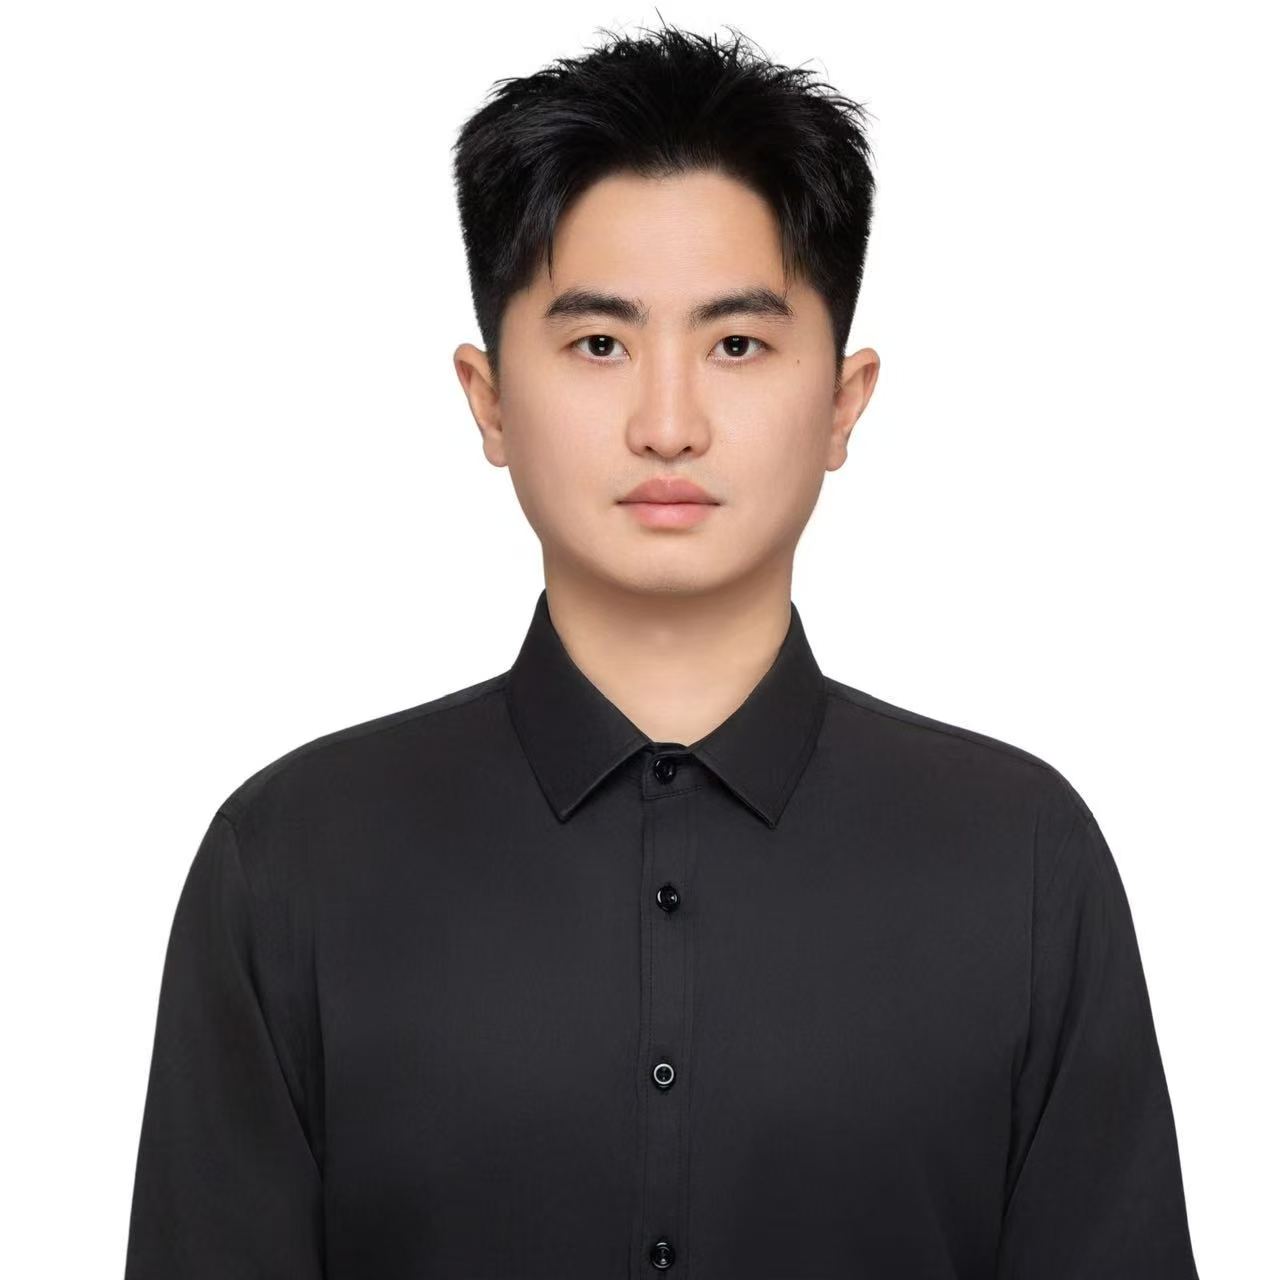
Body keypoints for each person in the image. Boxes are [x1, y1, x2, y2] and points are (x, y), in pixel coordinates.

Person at [123, 20, 1200, 1279]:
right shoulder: (289, 862)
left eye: (736, 343)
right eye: (599, 344)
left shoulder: (1021, 859)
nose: (668, 422)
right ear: (487, 398)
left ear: (842, 400)